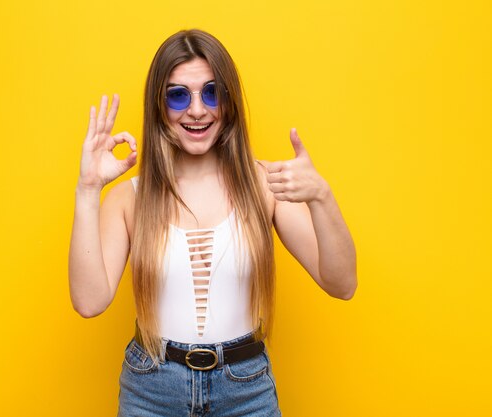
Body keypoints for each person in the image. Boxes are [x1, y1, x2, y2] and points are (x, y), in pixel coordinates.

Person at [69, 29, 357, 417]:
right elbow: (89, 302)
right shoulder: (129, 199)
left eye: (211, 92)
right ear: (158, 106)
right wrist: (88, 189)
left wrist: (322, 196)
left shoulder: (263, 186)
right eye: (177, 95)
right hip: (151, 391)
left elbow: (342, 284)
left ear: (229, 100)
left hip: (245, 391)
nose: (198, 110)